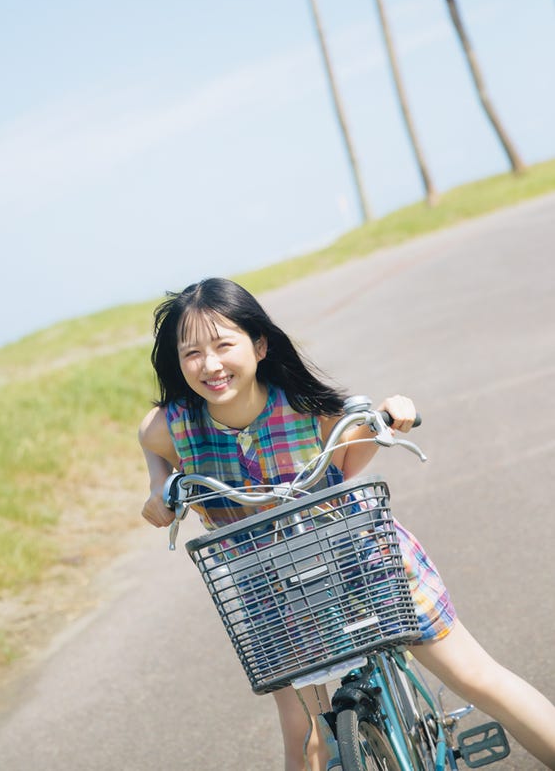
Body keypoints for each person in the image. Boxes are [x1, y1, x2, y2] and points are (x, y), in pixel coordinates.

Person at [139, 278, 555, 771]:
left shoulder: (307, 408)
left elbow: (353, 451)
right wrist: (158, 490)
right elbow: (154, 462)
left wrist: (390, 416)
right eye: (192, 352)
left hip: (362, 558)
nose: (210, 364)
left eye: (223, 344)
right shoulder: (172, 427)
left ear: (259, 343)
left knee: (475, 676)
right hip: (271, 588)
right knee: (304, 732)